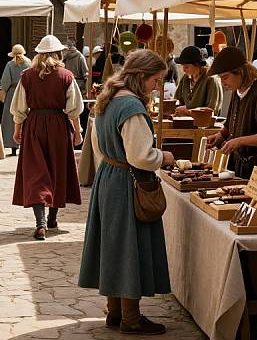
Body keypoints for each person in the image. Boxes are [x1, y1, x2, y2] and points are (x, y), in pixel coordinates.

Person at [78, 49, 174, 335]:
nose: (156, 87)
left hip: (109, 177)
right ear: (141, 76)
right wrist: (164, 157)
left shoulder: (107, 100)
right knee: (129, 247)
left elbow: (98, 146)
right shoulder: (131, 107)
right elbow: (141, 156)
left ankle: (115, 311)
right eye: (155, 80)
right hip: (127, 181)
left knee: (114, 245)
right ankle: (130, 318)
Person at [11, 35, 83, 241]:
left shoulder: (27, 76)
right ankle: (51, 219)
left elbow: (19, 107)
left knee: (36, 173)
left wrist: (17, 129)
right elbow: (74, 109)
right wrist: (77, 131)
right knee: (57, 171)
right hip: (59, 125)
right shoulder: (66, 76)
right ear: (58, 53)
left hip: (34, 125)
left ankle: (41, 223)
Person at [206, 46, 257, 179]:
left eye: (225, 77)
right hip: (238, 164)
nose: (223, 83)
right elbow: (232, 123)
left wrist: (239, 141)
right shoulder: (237, 90)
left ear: (240, 72)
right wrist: (220, 135)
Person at [174, 45, 223, 116]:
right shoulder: (186, 79)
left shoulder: (211, 80)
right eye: (183, 66)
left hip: (204, 125)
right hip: (185, 123)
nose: (184, 70)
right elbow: (177, 100)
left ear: (197, 65)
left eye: (187, 67)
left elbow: (212, 110)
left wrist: (188, 111)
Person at [0, 44, 30, 156]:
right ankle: (25, 144)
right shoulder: (29, 64)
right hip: (26, 92)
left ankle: (13, 146)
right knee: (26, 117)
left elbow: (5, 82)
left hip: (13, 93)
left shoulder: (9, 65)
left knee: (11, 118)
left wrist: (6, 89)